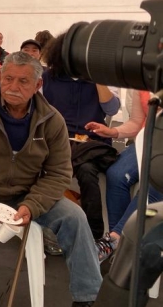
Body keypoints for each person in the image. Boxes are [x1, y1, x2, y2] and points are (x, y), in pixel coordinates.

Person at [0, 51, 101, 307]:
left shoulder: (52, 120)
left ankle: (86, 298)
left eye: (23, 81)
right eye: (8, 78)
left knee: (75, 217)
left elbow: (59, 173)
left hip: (28, 192)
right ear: (0, 77)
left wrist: (33, 204)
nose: (13, 87)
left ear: (38, 85)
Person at [42, 31, 121, 240]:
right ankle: (52, 225)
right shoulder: (49, 77)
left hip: (92, 141)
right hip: (57, 139)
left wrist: (96, 77)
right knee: (49, 166)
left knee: (86, 169)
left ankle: (92, 235)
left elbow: (112, 109)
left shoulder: (100, 78)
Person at [85, 90, 163, 262]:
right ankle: (122, 249)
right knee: (116, 174)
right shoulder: (142, 82)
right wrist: (111, 132)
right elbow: (136, 122)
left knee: (156, 183)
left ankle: (115, 239)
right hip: (147, 140)